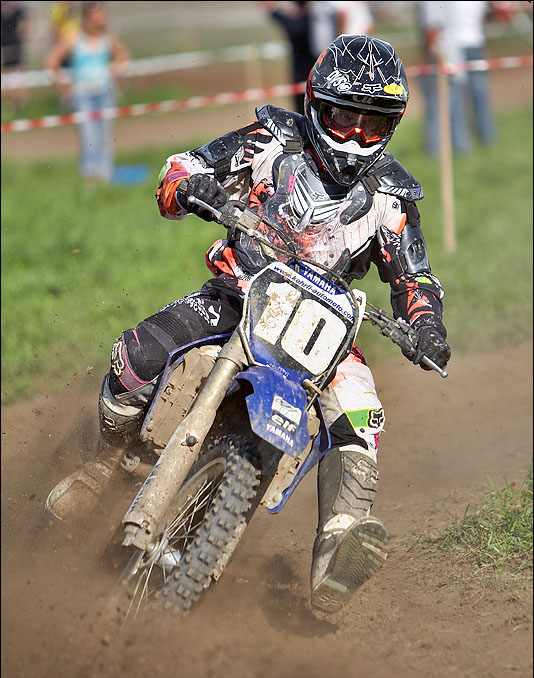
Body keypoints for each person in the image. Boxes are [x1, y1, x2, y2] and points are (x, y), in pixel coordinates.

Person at [47, 35, 451, 614]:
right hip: (240, 293)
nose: (355, 136)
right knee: (137, 355)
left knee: (363, 417)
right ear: (317, 104)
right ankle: (103, 464)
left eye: (372, 125)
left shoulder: (391, 194)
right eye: (345, 118)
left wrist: (427, 326)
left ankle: (337, 547)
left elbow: (414, 276)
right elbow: (184, 166)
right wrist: (192, 186)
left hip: (323, 331)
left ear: (391, 126)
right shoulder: (273, 140)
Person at [45, 0, 129, 183]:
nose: (100, 18)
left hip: (105, 93)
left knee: (104, 136)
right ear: (87, 17)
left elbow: (123, 56)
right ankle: (89, 178)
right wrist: (64, 87)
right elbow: (52, 61)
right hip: (83, 95)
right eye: (96, 15)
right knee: (88, 136)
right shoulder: (74, 38)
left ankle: (105, 176)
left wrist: (115, 69)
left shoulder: (108, 37)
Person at [416, 1, 495, 156]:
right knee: (461, 102)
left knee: (437, 105)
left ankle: (437, 152)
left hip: (442, 53)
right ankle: (465, 148)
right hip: (457, 50)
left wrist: (427, 58)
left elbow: (433, 27)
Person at [1, 0, 29, 110]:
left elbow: (27, 17)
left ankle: (21, 99)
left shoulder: (16, 6)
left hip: (15, 42)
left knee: (18, 70)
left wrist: (23, 32)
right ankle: (11, 100)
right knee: (8, 71)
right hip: (5, 43)